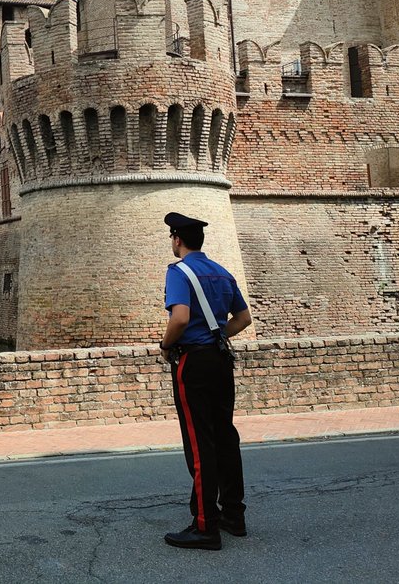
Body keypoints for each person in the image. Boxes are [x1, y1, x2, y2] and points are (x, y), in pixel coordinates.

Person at [158, 211, 252, 551]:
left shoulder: (178, 272)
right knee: (225, 436)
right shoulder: (222, 273)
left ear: (178, 240)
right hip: (220, 360)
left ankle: (204, 525)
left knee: (200, 442)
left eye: (172, 238)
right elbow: (243, 318)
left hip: (193, 362)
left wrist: (167, 345)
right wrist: (216, 335)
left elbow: (180, 317)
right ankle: (233, 515)